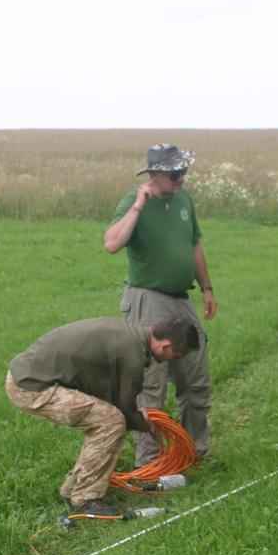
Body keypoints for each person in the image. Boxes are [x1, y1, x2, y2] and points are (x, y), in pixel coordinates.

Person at [5, 316, 200, 515]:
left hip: (28, 374)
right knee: (111, 422)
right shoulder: (132, 354)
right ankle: (85, 499)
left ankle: (72, 490)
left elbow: (113, 394)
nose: (177, 359)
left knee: (109, 417)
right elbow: (125, 409)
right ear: (166, 345)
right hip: (31, 387)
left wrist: (133, 414)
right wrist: (145, 423)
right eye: (178, 354)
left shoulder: (129, 334)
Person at [104, 144, 216, 467]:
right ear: (154, 175)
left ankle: (194, 451)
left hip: (182, 299)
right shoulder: (132, 202)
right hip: (147, 300)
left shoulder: (184, 199)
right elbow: (111, 243)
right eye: (174, 173)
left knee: (196, 378)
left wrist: (207, 287)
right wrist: (138, 206)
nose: (181, 178)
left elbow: (194, 244)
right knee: (151, 386)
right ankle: (150, 462)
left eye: (183, 171)